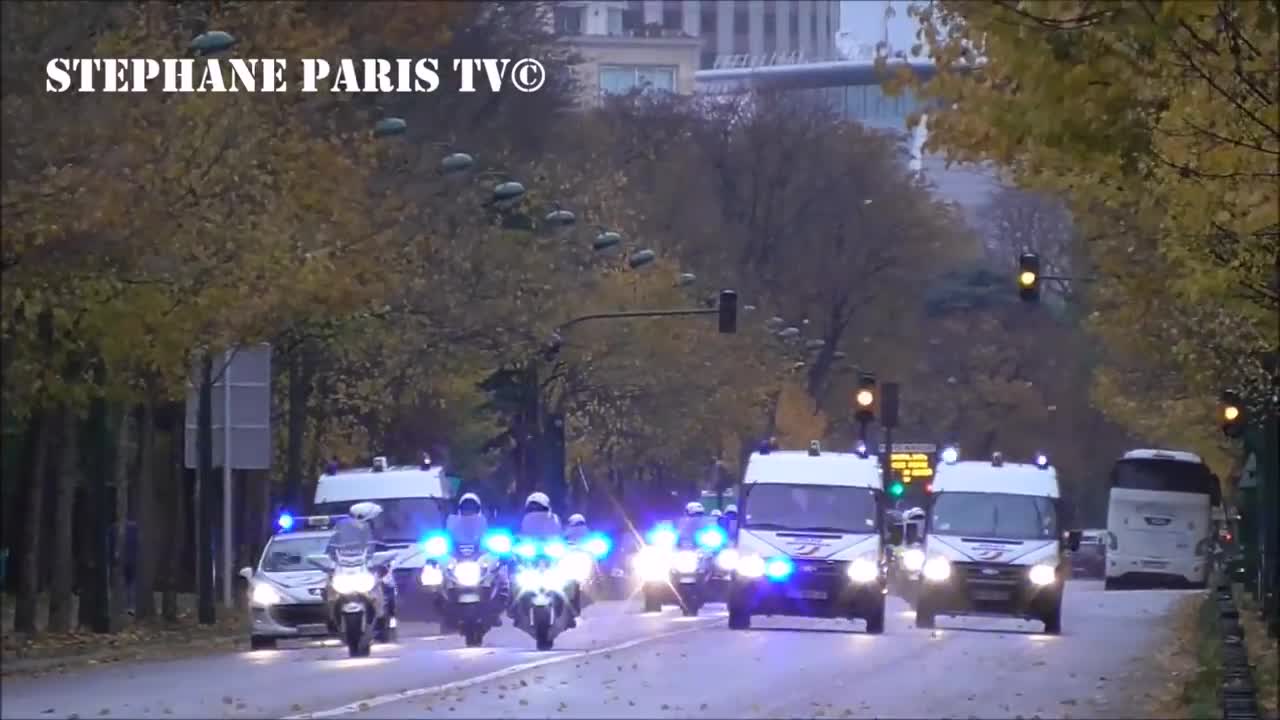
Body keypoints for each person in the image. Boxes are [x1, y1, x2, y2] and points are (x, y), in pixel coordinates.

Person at [327, 501, 398, 622]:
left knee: (388, 583)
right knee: (328, 585)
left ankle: (388, 617)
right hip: (347, 569)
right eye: (374, 519)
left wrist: (383, 560)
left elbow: (383, 550)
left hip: (370, 569)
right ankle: (330, 616)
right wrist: (330, 563)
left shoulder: (376, 535)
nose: (377, 522)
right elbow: (330, 550)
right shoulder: (340, 534)